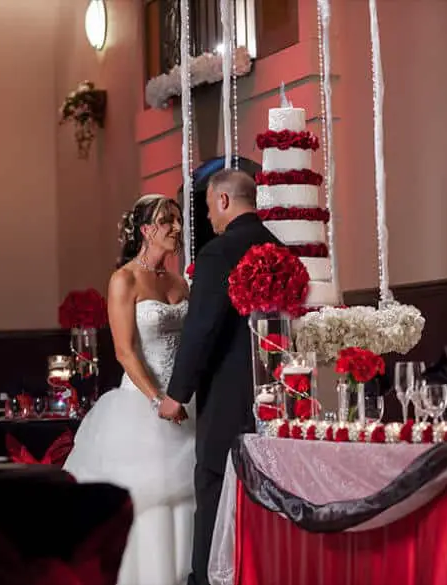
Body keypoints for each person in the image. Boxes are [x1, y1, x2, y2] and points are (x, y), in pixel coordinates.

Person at [62, 194, 196, 585]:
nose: (175, 227)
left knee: (188, 496)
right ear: (145, 231)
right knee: (150, 498)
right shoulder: (123, 279)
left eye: (176, 219)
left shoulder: (180, 281)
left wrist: (181, 394)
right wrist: (158, 400)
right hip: (142, 403)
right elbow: (124, 350)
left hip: (184, 401)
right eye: (166, 220)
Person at [158, 168, 281, 585]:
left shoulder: (218, 253)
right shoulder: (279, 248)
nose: (209, 217)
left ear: (224, 201)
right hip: (276, 394)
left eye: (209, 207)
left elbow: (201, 329)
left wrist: (177, 394)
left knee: (212, 488)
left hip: (227, 397)